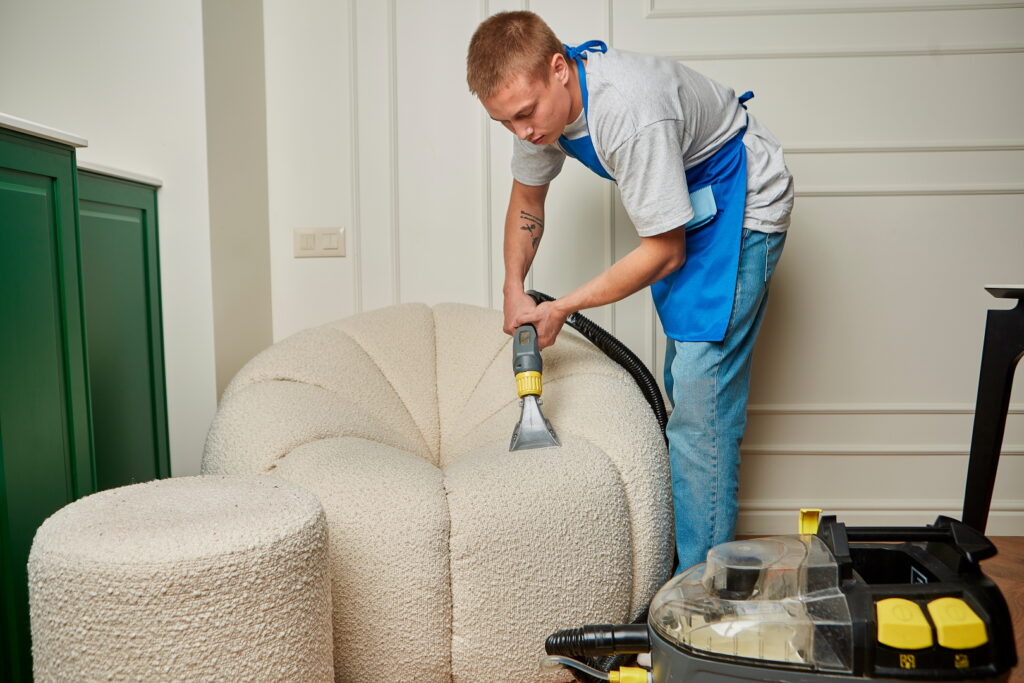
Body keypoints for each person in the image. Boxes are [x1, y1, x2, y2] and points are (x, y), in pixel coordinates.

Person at [466, 11, 793, 573]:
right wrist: (513, 286)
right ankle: (687, 566)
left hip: (741, 204)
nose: (522, 132)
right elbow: (528, 200)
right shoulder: (542, 114)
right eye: (505, 123)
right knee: (687, 389)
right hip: (689, 207)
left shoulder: (629, 112)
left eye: (525, 114)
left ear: (559, 68)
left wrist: (561, 308)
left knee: (701, 401)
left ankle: (700, 598)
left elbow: (664, 251)